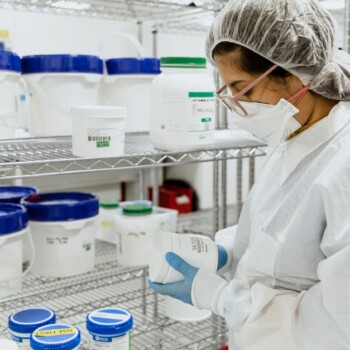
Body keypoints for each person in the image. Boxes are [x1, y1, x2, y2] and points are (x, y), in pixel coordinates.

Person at [149, 0, 350, 349]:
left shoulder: (342, 165)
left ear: (292, 72)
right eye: (228, 91)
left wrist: (223, 299)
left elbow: (336, 324)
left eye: (244, 88)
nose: (238, 106)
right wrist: (225, 251)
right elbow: (272, 229)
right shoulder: (295, 132)